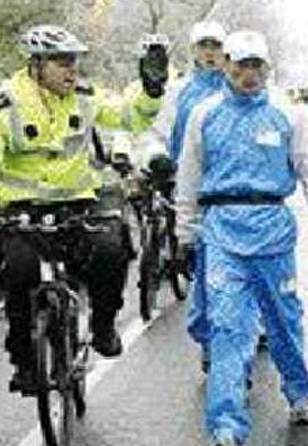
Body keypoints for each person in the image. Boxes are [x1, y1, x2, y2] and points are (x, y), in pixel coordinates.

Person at [0, 24, 162, 391]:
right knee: (20, 277)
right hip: (22, 209)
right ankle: (25, 363)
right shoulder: (2, 106)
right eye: (61, 63)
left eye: (75, 62)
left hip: (77, 204)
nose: (72, 71)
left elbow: (129, 118)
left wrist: (151, 91)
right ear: (36, 65)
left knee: (111, 249)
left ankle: (103, 327)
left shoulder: (85, 97)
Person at [174, 31, 308, 446]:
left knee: (283, 318)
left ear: (267, 68)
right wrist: (185, 232)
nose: (249, 74)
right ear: (226, 66)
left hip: (273, 229)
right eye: (241, 65)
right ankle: (227, 422)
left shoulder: (288, 114)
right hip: (222, 228)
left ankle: (299, 391)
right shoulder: (205, 114)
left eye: (256, 66)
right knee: (227, 325)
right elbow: (189, 175)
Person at [136, 20, 235, 373]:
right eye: (204, 46)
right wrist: (156, 157)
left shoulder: (237, 86)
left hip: (229, 191)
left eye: (216, 46)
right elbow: (158, 132)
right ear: (194, 50)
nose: (211, 53)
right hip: (189, 183)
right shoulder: (179, 92)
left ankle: (248, 331)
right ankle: (211, 341)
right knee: (207, 272)